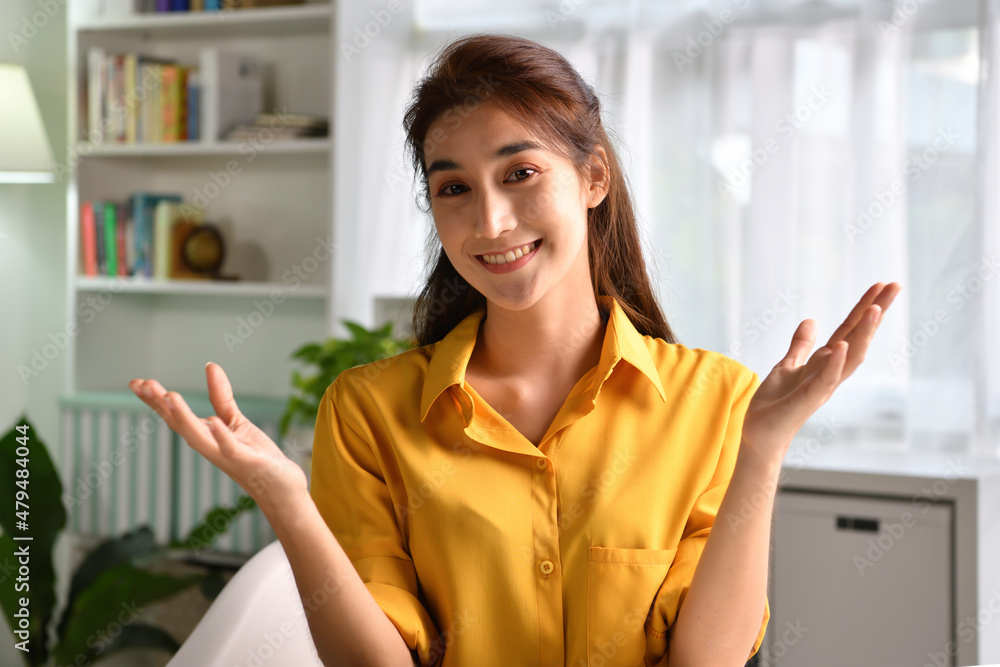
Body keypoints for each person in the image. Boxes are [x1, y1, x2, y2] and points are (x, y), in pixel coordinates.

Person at [129, 33, 901, 667]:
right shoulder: (368, 411)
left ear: (592, 177)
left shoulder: (717, 399)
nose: (491, 222)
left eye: (521, 172)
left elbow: (708, 659)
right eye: (453, 188)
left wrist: (763, 448)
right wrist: (289, 504)